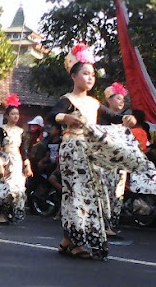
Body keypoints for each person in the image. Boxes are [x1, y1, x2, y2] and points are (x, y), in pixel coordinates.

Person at [47, 43, 137, 260]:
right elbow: (52, 115)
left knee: (89, 194)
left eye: (92, 74)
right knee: (77, 193)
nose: (90, 78)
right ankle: (74, 241)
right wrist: (65, 118)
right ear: (74, 76)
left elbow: (115, 118)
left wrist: (128, 119)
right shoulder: (67, 100)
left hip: (90, 152)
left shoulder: (94, 102)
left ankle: (68, 240)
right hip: (73, 150)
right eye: (85, 73)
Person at [0, 94, 32, 224]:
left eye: (17, 114)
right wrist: (0, 163)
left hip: (17, 161)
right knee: (4, 189)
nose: (16, 116)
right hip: (4, 160)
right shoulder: (2, 130)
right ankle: (1, 213)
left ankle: (8, 210)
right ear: (7, 116)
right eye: (13, 114)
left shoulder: (21, 131)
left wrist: (27, 166)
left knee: (16, 190)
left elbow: (24, 150)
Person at [99, 82, 131, 234]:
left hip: (120, 163)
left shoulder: (125, 122)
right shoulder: (101, 121)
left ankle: (112, 224)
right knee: (105, 192)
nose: (121, 101)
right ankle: (103, 224)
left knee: (118, 193)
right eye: (118, 98)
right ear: (109, 100)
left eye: (122, 99)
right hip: (105, 162)